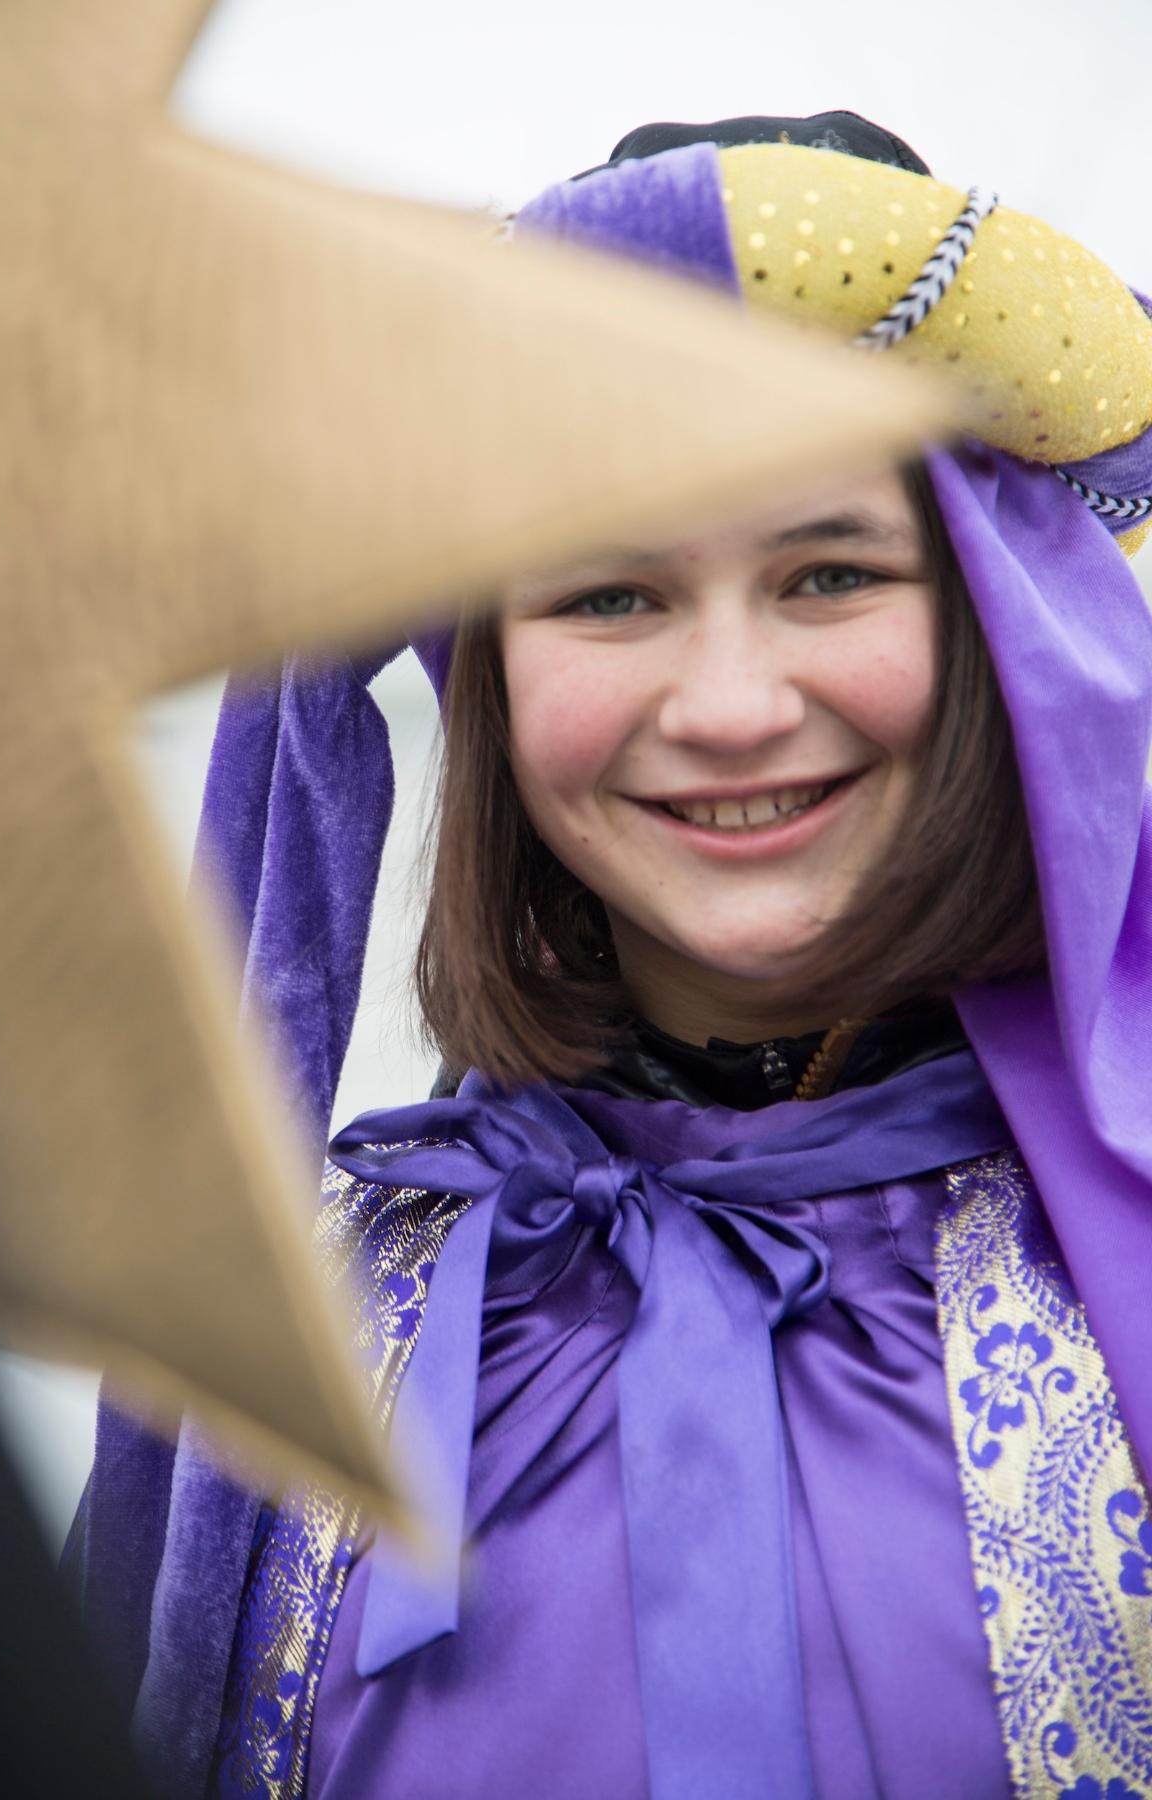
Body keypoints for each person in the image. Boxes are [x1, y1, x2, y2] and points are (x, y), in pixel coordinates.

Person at [69, 112, 1152, 1800]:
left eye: (829, 572)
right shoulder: (306, 1331)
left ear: (1004, 621)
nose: (727, 708)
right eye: (611, 596)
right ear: (487, 671)